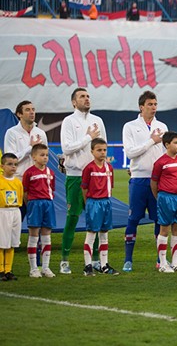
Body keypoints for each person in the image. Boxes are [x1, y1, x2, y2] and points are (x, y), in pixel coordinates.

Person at [59, 87, 107, 275]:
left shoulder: (98, 121)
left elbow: (103, 146)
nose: (86, 99)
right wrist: (88, 137)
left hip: (95, 177)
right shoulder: (68, 121)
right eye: (82, 96)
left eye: (88, 96)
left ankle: (95, 260)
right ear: (73, 102)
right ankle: (64, 260)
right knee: (72, 218)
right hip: (75, 175)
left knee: (95, 219)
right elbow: (67, 148)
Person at [122, 91, 168, 272]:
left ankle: (160, 259)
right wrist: (151, 141)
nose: (153, 107)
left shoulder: (162, 126)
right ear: (141, 107)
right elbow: (130, 152)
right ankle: (128, 260)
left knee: (159, 220)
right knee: (133, 219)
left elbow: (166, 153)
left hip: (158, 181)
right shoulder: (130, 127)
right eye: (150, 104)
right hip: (139, 180)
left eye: (155, 104)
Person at [151, 131, 177, 273]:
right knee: (164, 229)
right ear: (167, 145)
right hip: (166, 198)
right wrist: (160, 197)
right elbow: (154, 182)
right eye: (176, 142)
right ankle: (162, 263)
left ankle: (175, 262)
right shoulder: (160, 162)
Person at [81, 138, 119, 276]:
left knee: (104, 234)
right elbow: (84, 188)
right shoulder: (89, 168)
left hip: (106, 202)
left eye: (104, 150)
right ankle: (88, 266)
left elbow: (110, 187)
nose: (102, 153)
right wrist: (89, 203)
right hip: (93, 203)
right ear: (92, 151)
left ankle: (104, 265)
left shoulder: (109, 168)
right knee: (91, 234)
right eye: (99, 150)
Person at [4, 100, 48, 220]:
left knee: (37, 217)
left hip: (36, 181)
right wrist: (30, 148)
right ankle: (12, 239)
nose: (32, 112)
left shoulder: (41, 133)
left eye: (33, 109)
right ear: (19, 114)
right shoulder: (11, 133)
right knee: (15, 216)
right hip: (18, 180)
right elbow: (10, 159)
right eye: (27, 110)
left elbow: (44, 156)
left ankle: (36, 239)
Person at [22, 144, 56, 278]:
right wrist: (30, 204)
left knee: (47, 235)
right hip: (34, 204)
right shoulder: (29, 172)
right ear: (33, 157)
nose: (45, 158)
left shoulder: (50, 173)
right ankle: (33, 268)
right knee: (34, 235)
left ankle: (46, 267)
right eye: (42, 155)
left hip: (48, 204)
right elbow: (25, 192)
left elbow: (52, 189)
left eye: (47, 155)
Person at [0, 153, 22, 281]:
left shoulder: (17, 182)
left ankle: (8, 270)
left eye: (15, 164)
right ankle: (0, 270)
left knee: (12, 242)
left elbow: (20, 198)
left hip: (15, 211)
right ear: (2, 166)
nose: (13, 167)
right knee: (2, 241)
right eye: (9, 164)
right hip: (2, 211)